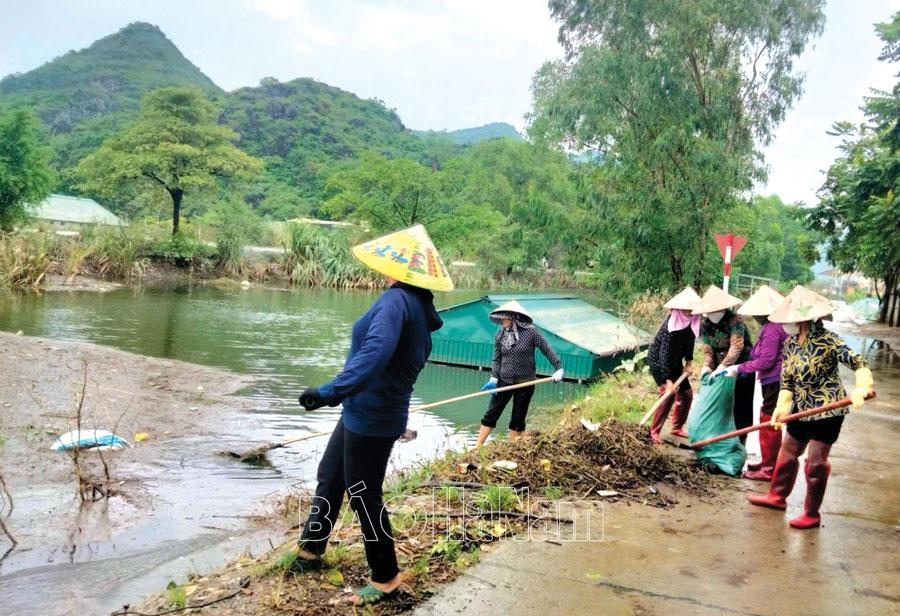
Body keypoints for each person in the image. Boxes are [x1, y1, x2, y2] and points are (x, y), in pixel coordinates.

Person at [294, 224, 453, 606]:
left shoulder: (396, 302)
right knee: (331, 476)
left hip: (372, 416)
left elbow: (374, 355)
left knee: (364, 496)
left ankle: (386, 578)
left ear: (401, 268)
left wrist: (328, 392)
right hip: (365, 410)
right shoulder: (413, 303)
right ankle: (311, 549)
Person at [747, 286, 874, 529]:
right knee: (787, 454)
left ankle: (812, 514)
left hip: (827, 412)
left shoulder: (828, 340)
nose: (787, 323)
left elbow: (858, 362)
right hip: (800, 409)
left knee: (815, 463)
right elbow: (787, 380)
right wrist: (782, 407)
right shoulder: (791, 344)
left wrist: (863, 384)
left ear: (803, 319)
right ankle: (776, 497)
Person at [715, 285, 789, 480]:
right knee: (768, 418)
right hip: (771, 378)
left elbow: (766, 360)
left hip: (775, 379)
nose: (755, 317)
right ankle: (767, 462)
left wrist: (738, 368)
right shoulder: (772, 326)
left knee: (769, 420)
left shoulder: (773, 328)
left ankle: (770, 468)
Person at [474, 300, 564, 447]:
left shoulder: (531, 332)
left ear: (514, 318)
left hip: (526, 382)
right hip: (504, 380)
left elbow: (547, 349)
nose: (503, 321)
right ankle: (477, 448)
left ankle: (511, 448)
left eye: (505, 318)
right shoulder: (500, 335)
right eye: (502, 318)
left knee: (518, 417)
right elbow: (497, 359)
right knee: (491, 414)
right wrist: (494, 378)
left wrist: (558, 368)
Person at [693, 285, 754, 440]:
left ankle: (740, 440)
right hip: (721, 367)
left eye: (714, 311)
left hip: (741, 368)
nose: (710, 314)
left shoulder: (735, 322)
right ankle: (719, 436)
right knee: (721, 403)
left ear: (722, 309)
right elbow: (708, 349)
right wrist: (707, 367)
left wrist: (722, 367)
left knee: (741, 405)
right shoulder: (707, 324)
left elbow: (736, 347)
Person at [646, 286, 701, 444]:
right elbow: (664, 354)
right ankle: (654, 431)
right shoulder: (671, 323)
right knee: (667, 394)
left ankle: (676, 427)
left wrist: (689, 363)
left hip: (676, 362)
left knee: (687, 394)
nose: (688, 312)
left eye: (691, 309)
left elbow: (689, 343)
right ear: (678, 307)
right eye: (685, 309)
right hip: (658, 362)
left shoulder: (693, 321)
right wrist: (668, 381)